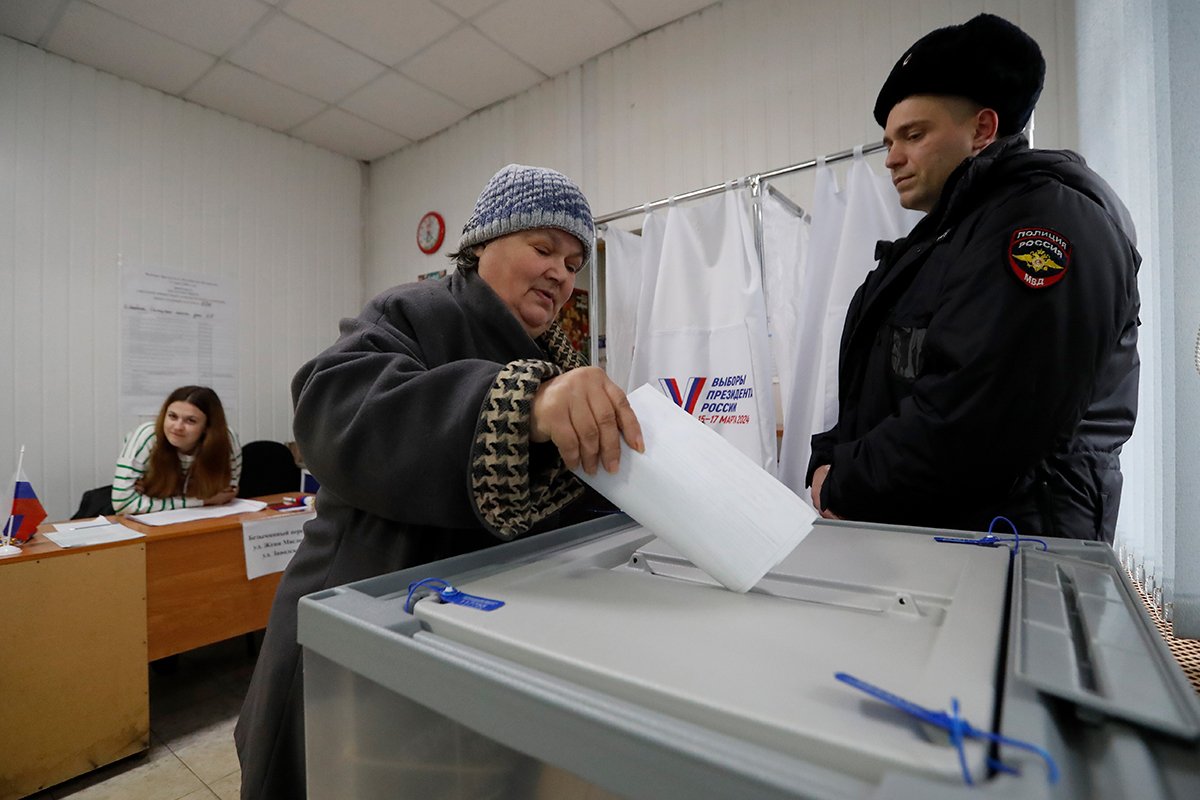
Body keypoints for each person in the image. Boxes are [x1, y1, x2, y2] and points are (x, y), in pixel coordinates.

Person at [235, 164, 643, 799]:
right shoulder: (417, 310)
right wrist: (520, 405)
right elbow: (331, 407)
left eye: (573, 262)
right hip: (360, 623)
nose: (562, 274)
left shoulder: (561, 363)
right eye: (543, 249)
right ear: (481, 245)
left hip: (465, 642)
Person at [807, 14, 1140, 542]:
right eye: (889, 140)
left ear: (982, 129)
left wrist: (844, 480)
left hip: (1011, 549)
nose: (891, 158)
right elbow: (882, 391)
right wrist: (828, 456)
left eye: (913, 135)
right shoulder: (942, 240)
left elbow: (981, 420)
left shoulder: (1045, 225)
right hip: (942, 541)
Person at [112, 385, 241, 513]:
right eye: (172, 416)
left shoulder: (226, 439)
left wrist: (153, 497)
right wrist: (202, 501)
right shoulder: (148, 436)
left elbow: (227, 495)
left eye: (190, 420)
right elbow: (123, 504)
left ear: (207, 427)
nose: (178, 427)